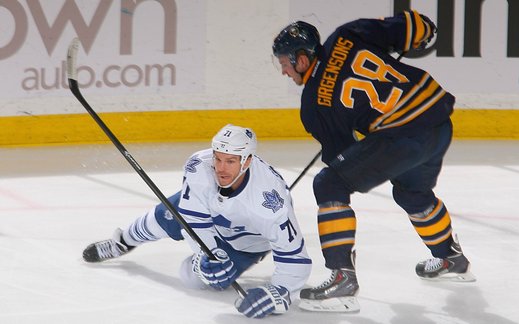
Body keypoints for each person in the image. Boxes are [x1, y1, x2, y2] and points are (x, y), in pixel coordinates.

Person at [272, 10, 475, 312]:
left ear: (302, 59)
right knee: (412, 193)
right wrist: (424, 31)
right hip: (438, 121)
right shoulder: (347, 35)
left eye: (286, 64)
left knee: (329, 184)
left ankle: (342, 279)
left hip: (405, 135)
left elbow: (341, 158)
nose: (285, 72)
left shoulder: (314, 106)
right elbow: (415, 26)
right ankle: (451, 258)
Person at [82, 124, 312, 319]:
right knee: (163, 217)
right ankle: (123, 241)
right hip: (207, 210)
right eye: (218, 159)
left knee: (195, 279)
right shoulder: (199, 166)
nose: (221, 168)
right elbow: (193, 220)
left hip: (244, 242)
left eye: (230, 162)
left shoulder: (269, 201)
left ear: (247, 161)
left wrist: (280, 293)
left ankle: (211, 265)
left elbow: (295, 257)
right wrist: (207, 253)